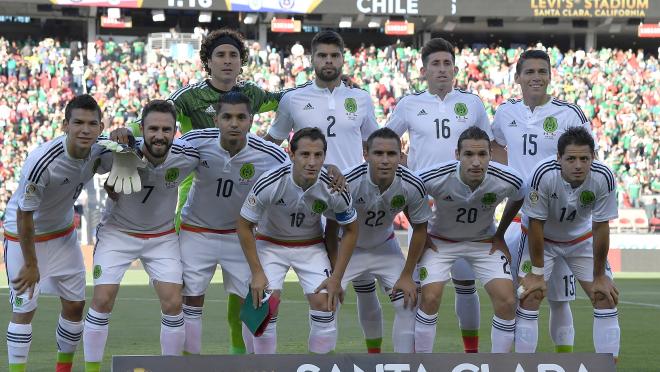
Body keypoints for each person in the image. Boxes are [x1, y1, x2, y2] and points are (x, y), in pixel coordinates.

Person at [264, 30, 384, 353]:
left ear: (343, 59)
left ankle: (367, 354)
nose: (328, 61)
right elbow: (272, 142)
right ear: (312, 59)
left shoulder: (360, 98)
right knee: (264, 301)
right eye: (322, 56)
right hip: (302, 203)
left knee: (358, 286)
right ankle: (255, 360)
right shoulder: (293, 98)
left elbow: (373, 145)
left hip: (348, 199)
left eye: (334, 55)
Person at [385, 37, 493, 353]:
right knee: (421, 289)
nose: (442, 69)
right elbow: (386, 145)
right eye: (436, 64)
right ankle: (419, 359)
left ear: (455, 69)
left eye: (447, 64)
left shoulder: (472, 104)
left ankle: (471, 354)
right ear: (424, 70)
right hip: (425, 210)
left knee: (465, 283)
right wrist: (408, 176)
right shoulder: (408, 104)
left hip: (465, 207)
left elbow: (489, 150)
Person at [82, 100, 200, 371]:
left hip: (161, 237)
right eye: (153, 129)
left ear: (175, 131)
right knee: (102, 299)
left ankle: (170, 368)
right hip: (118, 233)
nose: (160, 135)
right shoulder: (118, 151)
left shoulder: (188, 155)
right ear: (142, 129)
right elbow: (91, 155)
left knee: (173, 302)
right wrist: (112, 138)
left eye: (166, 129)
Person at [491, 49, 595, 353]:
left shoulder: (569, 113)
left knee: (561, 300)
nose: (536, 77)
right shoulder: (504, 113)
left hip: (561, 222)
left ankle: (563, 362)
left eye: (542, 72)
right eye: (530, 72)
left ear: (550, 76)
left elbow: (588, 159)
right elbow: (497, 146)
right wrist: (510, 182)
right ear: (518, 77)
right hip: (521, 220)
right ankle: (519, 363)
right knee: (522, 297)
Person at [3, 95, 109, 372]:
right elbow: (24, 214)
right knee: (24, 309)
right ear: (65, 125)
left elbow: (129, 146)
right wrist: (31, 263)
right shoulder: (42, 160)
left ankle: (63, 370)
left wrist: (125, 137)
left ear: (101, 127)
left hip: (63, 236)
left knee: (75, 307)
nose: (85, 129)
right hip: (23, 239)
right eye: (78, 123)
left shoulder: (100, 151)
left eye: (92, 123)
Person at [177, 92, 288, 355]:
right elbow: (157, 148)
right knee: (190, 302)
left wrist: (331, 170)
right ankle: (188, 365)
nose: (234, 123)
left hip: (239, 236)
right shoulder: (195, 142)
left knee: (257, 303)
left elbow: (299, 172)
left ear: (250, 121)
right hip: (196, 232)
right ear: (215, 119)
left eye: (241, 117)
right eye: (227, 117)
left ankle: (258, 365)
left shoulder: (269, 154)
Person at [238, 127, 358, 354]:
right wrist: (257, 272)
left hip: (310, 246)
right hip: (269, 244)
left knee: (326, 304)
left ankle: (318, 366)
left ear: (324, 156)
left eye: (318, 155)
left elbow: (351, 229)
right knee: (263, 306)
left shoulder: (334, 187)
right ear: (292, 155)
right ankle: (261, 366)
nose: (312, 162)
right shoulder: (271, 182)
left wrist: (337, 277)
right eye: (305, 154)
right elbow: (244, 225)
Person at [415, 126, 523, 353]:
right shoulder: (434, 176)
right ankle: (422, 364)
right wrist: (421, 232)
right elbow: (410, 193)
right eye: (469, 155)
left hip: (484, 242)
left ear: (490, 156)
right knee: (430, 298)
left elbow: (520, 195)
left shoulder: (507, 178)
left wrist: (501, 233)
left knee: (508, 301)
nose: (476, 162)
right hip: (440, 243)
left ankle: (498, 366)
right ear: (457, 155)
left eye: (482, 155)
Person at [516, 127, 620, 362]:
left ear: (593, 158)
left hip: (580, 241)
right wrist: (538, 272)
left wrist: (599, 275)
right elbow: (536, 224)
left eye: (584, 159)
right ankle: (522, 365)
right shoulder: (542, 174)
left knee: (604, 296)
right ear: (559, 158)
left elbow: (601, 226)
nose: (578, 165)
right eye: (571, 158)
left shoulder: (603, 177)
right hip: (544, 240)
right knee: (530, 295)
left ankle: (608, 366)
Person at [327, 128, 431, 352]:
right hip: (348, 249)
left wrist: (406, 275)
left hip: (385, 245)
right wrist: (335, 273)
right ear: (366, 154)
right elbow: (332, 227)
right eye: (378, 153)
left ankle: (404, 366)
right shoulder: (348, 181)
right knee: (326, 301)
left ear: (400, 155)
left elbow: (421, 228)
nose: (385, 160)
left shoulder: (412, 183)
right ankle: (341, 361)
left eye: (391, 154)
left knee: (408, 301)